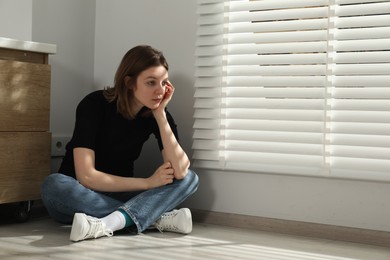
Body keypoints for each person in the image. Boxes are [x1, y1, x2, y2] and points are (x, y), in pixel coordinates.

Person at [41, 45, 199, 242]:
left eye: (164, 82)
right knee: (53, 184)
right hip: (79, 194)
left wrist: (160, 115)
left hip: (121, 193)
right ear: (129, 83)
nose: (160, 90)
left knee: (190, 177)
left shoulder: (156, 114)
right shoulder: (93, 104)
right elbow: (87, 176)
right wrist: (148, 183)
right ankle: (153, 218)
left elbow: (180, 171)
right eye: (151, 82)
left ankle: (108, 224)